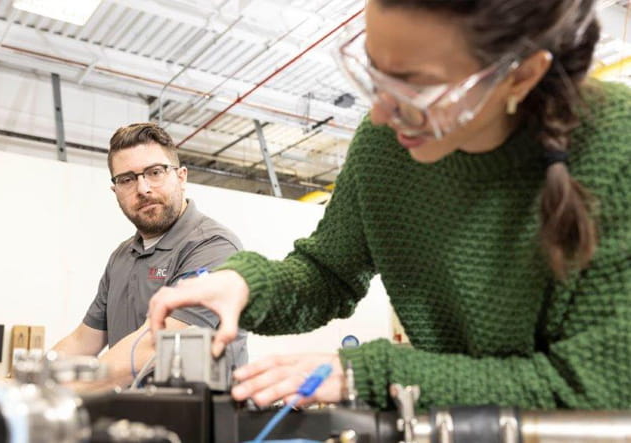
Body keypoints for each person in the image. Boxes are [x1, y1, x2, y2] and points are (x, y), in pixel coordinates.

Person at [149, 0, 630, 410]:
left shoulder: (617, 149)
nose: (379, 111)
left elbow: (593, 390)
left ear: (521, 75)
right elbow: (328, 273)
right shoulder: (385, 143)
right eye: (374, 72)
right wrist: (245, 286)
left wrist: (370, 374)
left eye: (414, 87)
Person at [54, 123, 247, 389]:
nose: (143, 188)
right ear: (116, 191)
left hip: (200, 424)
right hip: (132, 421)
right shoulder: (122, 256)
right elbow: (83, 341)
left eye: (155, 172)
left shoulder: (213, 247)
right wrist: (19, 382)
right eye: (127, 179)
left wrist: (45, 393)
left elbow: (153, 348)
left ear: (181, 177)